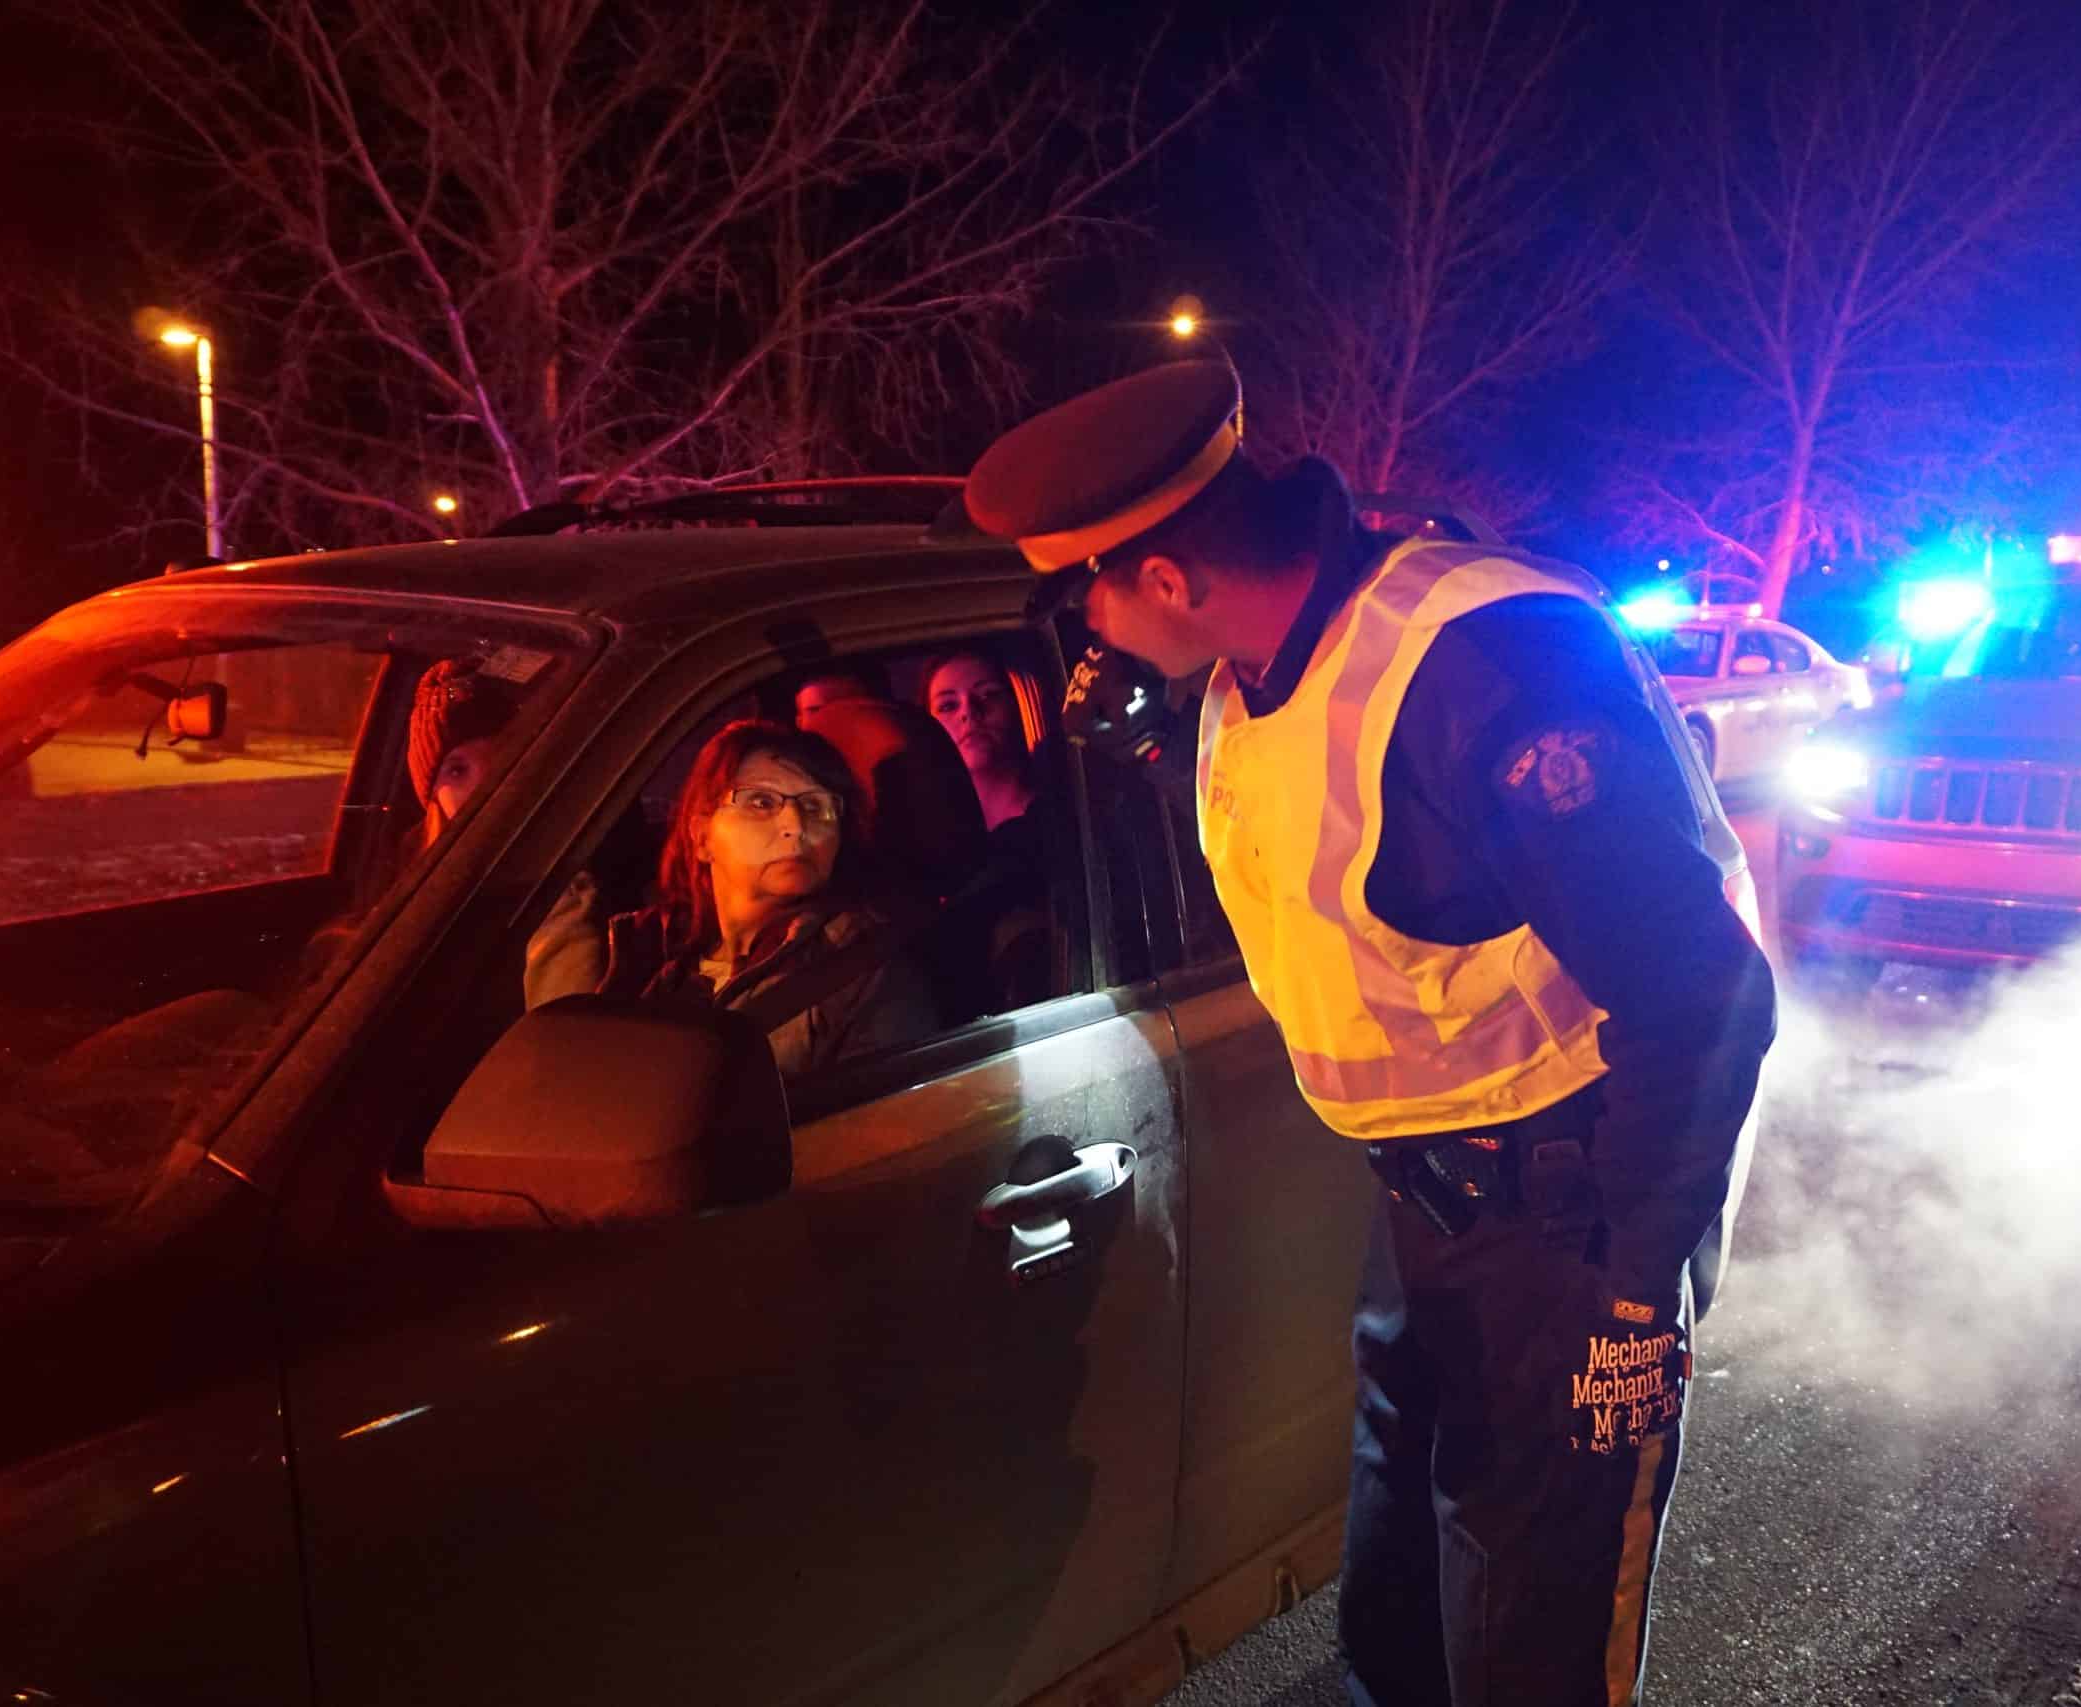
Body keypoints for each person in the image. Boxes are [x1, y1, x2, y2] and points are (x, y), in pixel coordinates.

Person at [963, 361, 1775, 1707]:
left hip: (1573, 1222)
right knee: (1401, 1602)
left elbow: (1707, 993)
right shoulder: (1248, 668)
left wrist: (1634, 1292)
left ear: (1168, 575)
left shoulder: (1482, 665)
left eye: (1077, 596)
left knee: (1534, 1641)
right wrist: (1149, 760)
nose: (1080, 637)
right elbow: (1332, 863)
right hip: (1430, 1205)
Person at [523, 720, 936, 1077]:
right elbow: (565, 1076)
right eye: (761, 802)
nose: (794, 824)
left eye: (816, 806)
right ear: (701, 837)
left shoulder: (865, 968)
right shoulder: (645, 950)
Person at [921, 647, 1039, 834]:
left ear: (1017, 704)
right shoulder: (926, 835)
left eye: (988, 695)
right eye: (948, 705)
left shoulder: (1061, 814)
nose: (968, 712)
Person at [406, 657, 521, 848]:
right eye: (457, 771)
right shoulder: (419, 875)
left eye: (497, 760)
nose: (481, 784)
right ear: (434, 796)